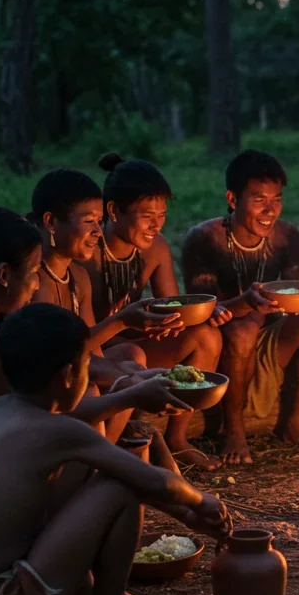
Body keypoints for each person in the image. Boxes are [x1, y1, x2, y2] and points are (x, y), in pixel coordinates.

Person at [0, 208, 187, 586]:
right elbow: (53, 420)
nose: (34, 284)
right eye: (33, 272)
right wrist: (130, 394)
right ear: (5, 276)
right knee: (87, 465)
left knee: (78, 451)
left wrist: (127, 378)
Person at [0, 303, 231, 595]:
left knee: (85, 467)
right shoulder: (58, 433)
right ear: (67, 376)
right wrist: (201, 502)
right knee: (119, 488)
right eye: (88, 367)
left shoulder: (0, 409)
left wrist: (131, 395)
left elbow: (81, 414)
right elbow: (156, 482)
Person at [181, 150, 299, 465]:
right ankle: (234, 431)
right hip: (224, 345)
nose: (270, 211)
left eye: (277, 200)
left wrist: (297, 305)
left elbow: (294, 292)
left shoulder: (285, 237)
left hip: (269, 336)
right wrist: (245, 308)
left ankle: (296, 423)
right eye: (259, 200)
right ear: (232, 198)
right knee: (241, 331)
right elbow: (204, 310)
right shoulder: (204, 239)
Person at [78, 153, 223, 465]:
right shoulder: (86, 253)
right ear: (113, 210)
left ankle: (177, 437)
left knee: (206, 336)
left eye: (162, 215)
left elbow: (172, 307)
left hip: (130, 344)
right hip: (94, 351)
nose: (156, 225)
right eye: (146, 215)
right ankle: (117, 447)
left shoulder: (155, 249)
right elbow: (84, 337)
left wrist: (176, 321)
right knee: (134, 356)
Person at [28, 168, 189, 443]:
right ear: (51, 222)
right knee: (92, 386)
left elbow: (92, 349)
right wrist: (128, 380)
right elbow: (58, 357)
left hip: (72, 365)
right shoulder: (34, 279)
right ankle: (96, 461)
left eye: (99, 221)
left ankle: (110, 448)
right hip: (37, 381)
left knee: (132, 356)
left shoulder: (77, 277)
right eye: (89, 222)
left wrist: (137, 376)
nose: (96, 232)